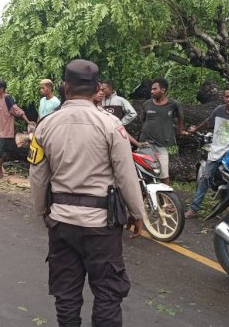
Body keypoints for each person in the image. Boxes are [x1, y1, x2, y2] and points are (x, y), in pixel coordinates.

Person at [29, 59, 145, 327]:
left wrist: (41, 211)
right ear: (96, 90)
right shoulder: (112, 125)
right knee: (107, 295)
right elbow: (126, 175)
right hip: (101, 226)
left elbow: (37, 176)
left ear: (65, 86)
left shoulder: (45, 125)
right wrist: (138, 213)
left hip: (61, 222)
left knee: (66, 295)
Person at [185, 85, 229, 218]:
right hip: (216, 149)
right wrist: (195, 129)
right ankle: (194, 208)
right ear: (223, 97)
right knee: (205, 178)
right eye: (226, 96)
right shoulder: (219, 110)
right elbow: (207, 121)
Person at [139, 78, 187, 185]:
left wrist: (180, 130)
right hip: (145, 144)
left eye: (155, 89)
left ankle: (169, 199)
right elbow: (142, 120)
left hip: (163, 145)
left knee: (164, 176)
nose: (152, 91)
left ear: (163, 90)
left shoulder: (173, 104)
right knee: (145, 174)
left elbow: (181, 116)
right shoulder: (147, 104)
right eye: (152, 89)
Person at [0, 80, 33, 179]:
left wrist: (28, 121)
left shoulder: (7, 98)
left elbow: (17, 110)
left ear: (2, 89)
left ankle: (0, 172)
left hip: (4, 131)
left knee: (0, 150)